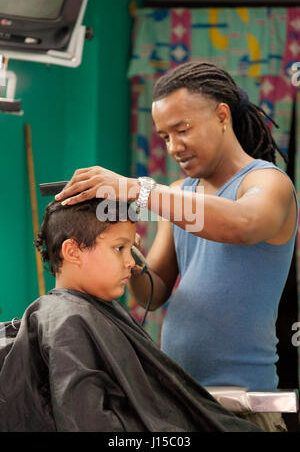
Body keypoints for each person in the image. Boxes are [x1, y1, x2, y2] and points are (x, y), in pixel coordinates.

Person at [54, 62, 298, 432]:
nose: (173, 147)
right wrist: (129, 255)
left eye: (182, 130)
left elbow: (244, 224)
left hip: (245, 409)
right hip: (179, 400)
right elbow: (153, 295)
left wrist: (141, 190)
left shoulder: (267, 183)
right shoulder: (181, 194)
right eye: (165, 136)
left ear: (221, 116)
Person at [0, 197, 261, 432]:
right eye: (119, 248)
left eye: (131, 248)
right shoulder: (68, 321)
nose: (133, 262)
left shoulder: (92, 312)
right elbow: (87, 422)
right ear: (72, 252)